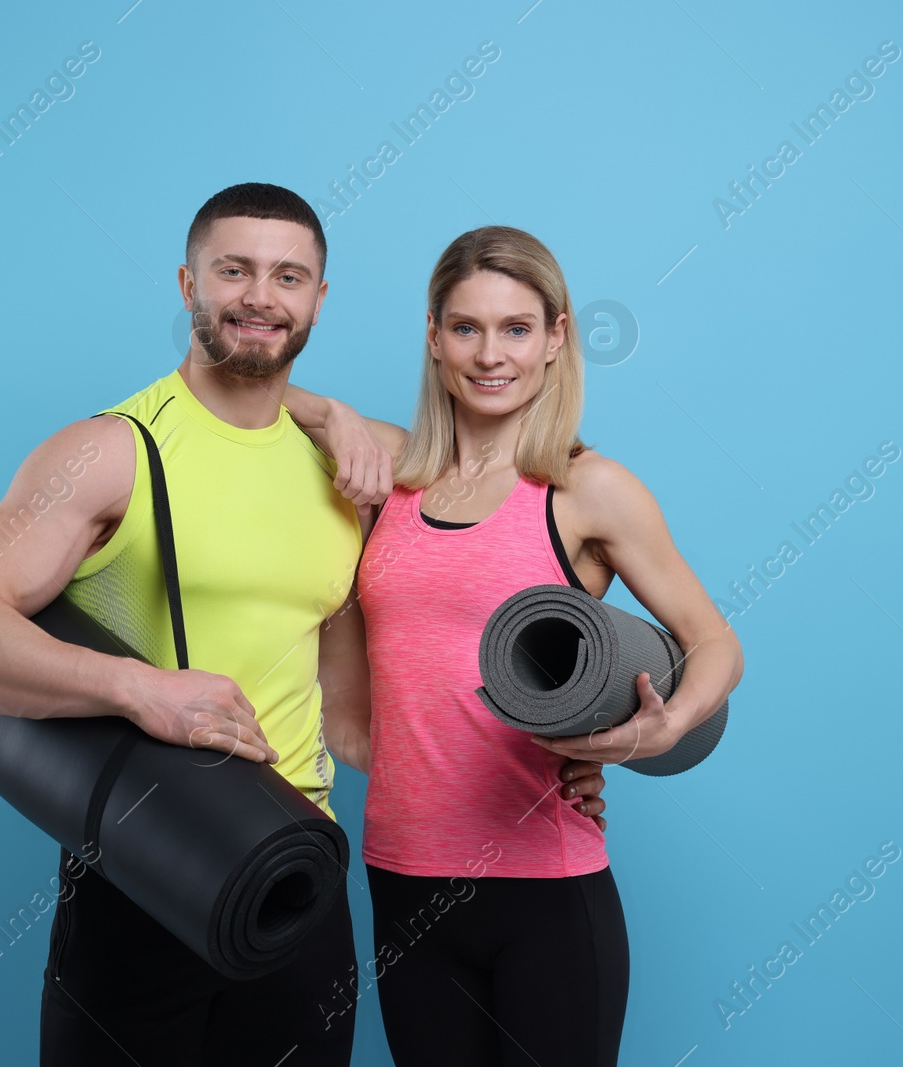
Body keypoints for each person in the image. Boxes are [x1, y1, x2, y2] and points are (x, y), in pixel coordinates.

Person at [0, 185, 607, 1066]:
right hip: (143, 858)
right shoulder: (111, 450)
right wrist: (138, 688)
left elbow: (362, 709)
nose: (258, 296)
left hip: (297, 877)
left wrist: (551, 755)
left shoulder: (353, 465)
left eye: (288, 276)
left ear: (319, 298)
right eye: (232, 270)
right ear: (188, 282)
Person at [285, 225, 744, 1066]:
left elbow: (715, 642)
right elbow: (258, 392)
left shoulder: (586, 489)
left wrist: (656, 732)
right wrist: (333, 412)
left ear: (557, 338)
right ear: (432, 338)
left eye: (517, 328)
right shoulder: (392, 472)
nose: (490, 354)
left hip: (547, 890)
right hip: (403, 880)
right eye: (466, 328)